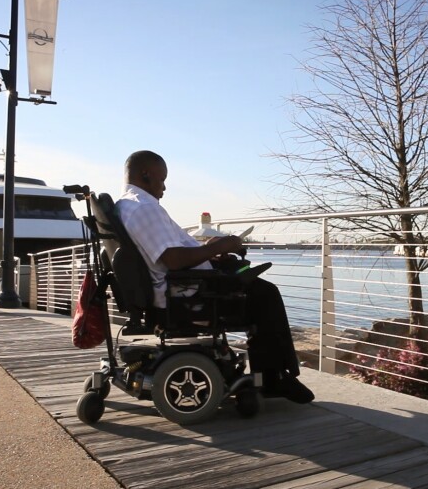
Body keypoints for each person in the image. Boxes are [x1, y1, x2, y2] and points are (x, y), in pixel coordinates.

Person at [115, 150, 313, 404]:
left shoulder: (127, 205)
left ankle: (272, 373)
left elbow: (171, 254)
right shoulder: (144, 208)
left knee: (252, 283)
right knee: (265, 294)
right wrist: (220, 247)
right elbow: (173, 260)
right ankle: (274, 377)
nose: (164, 188)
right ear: (146, 174)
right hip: (185, 293)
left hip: (181, 285)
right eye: (162, 180)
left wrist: (209, 252)